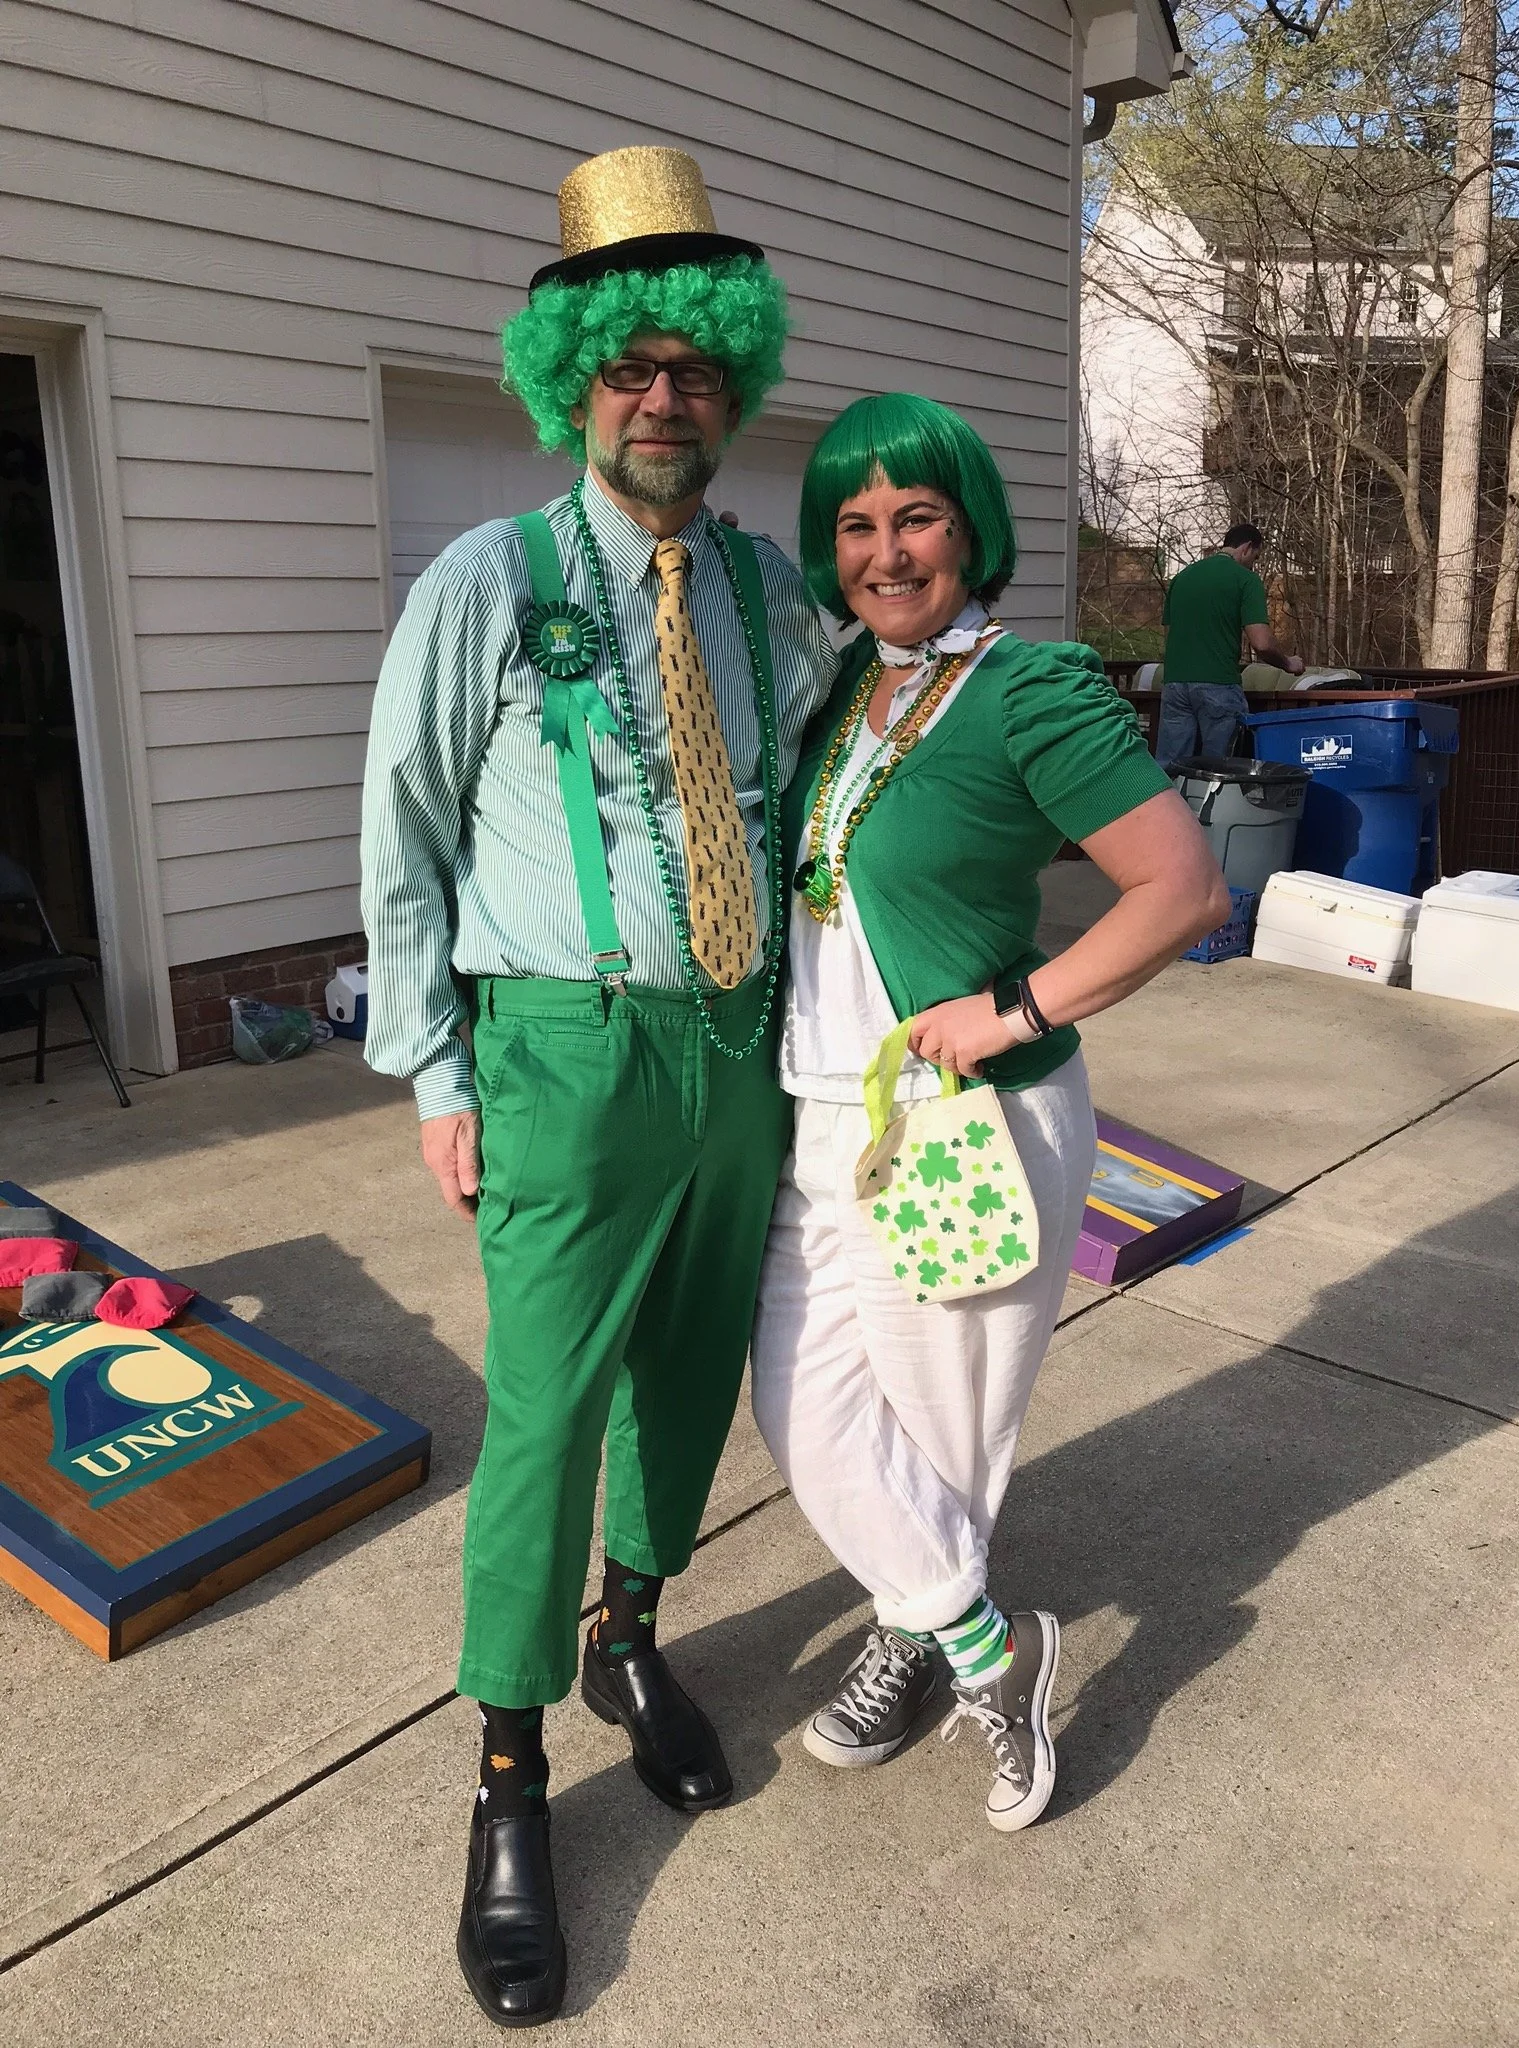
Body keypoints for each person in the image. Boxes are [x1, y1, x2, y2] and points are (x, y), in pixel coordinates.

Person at [360, 147, 835, 2028]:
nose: (663, 399)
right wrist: (434, 1067)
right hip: (565, 1050)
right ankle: (508, 1775)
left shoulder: (767, 587)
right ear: (573, 380)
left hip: (739, 1041)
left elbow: (812, 792)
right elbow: (403, 832)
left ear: (732, 382)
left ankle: (632, 1636)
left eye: (694, 368)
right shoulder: (489, 579)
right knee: (544, 1421)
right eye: (629, 367)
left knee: (691, 1377)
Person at [750, 394, 1228, 1832]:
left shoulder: (1031, 689)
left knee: (943, 1432)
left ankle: (915, 1643)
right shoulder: (845, 682)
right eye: (855, 525)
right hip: (817, 1113)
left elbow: (1183, 888)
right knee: (804, 1407)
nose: (885, 552)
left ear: (969, 531)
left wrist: (1018, 1008)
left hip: (961, 1123)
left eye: (917, 518)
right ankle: (981, 1639)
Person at [1155, 522, 1304, 763]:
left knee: (1171, 766)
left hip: (1175, 684)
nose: (1253, 564)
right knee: (1221, 768)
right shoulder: (1245, 580)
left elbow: (1170, 633)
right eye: (1255, 557)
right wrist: (1288, 663)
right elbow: (1262, 643)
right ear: (1247, 548)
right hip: (1218, 684)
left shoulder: (1182, 577)